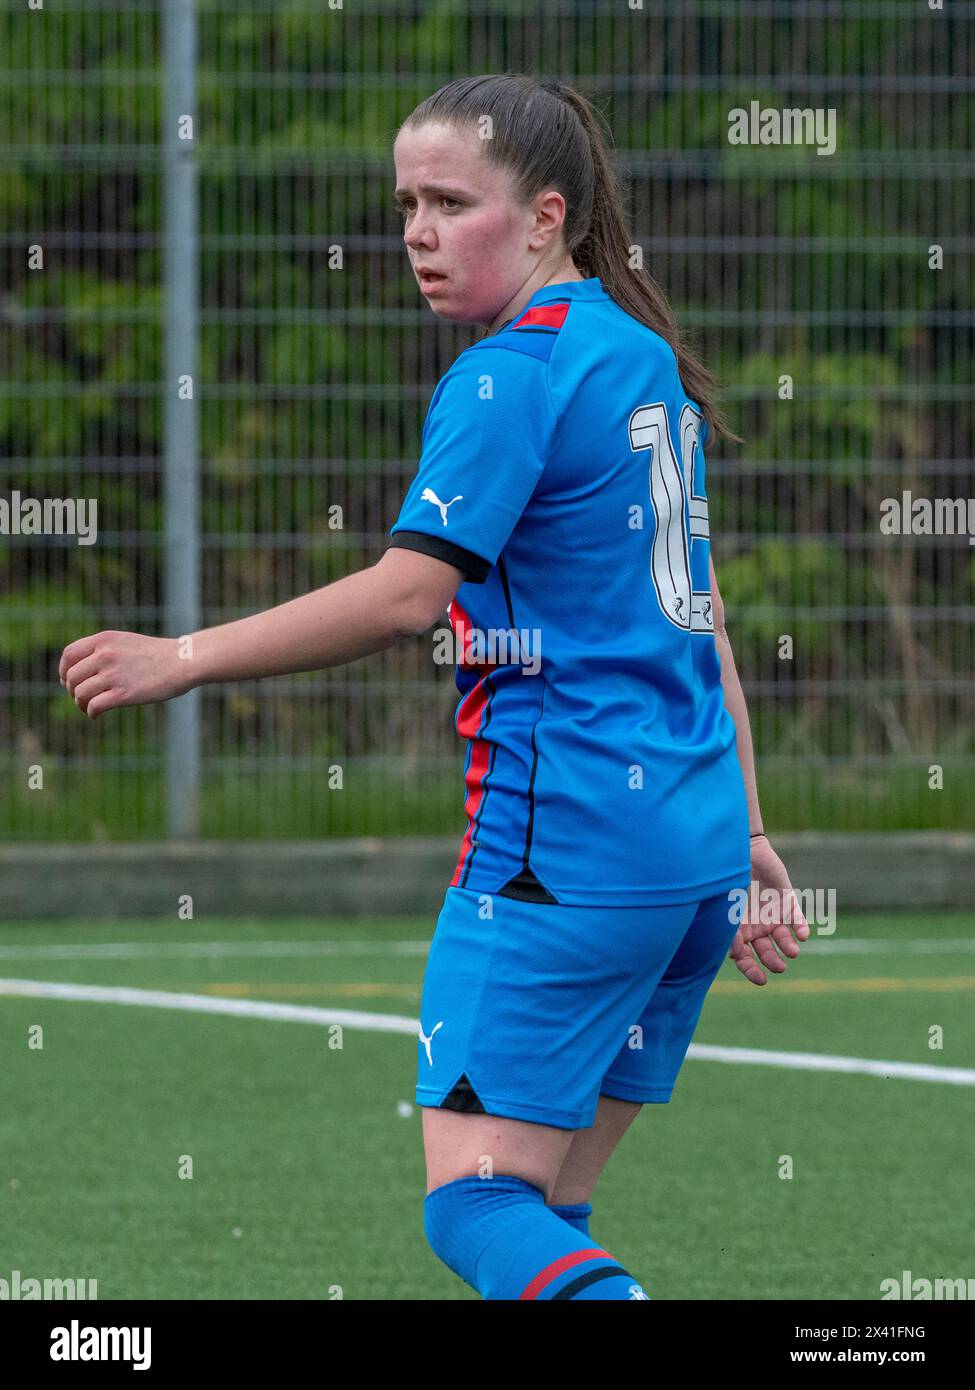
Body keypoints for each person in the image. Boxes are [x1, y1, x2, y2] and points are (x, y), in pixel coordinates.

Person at [59, 72, 809, 1301]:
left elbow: (408, 594)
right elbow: (702, 620)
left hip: (561, 849)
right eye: (404, 201)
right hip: (691, 855)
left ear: (545, 216)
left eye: (450, 200)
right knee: (549, 1200)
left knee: (475, 1202)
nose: (415, 231)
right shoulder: (639, 356)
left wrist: (178, 659)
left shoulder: (509, 374)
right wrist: (755, 828)